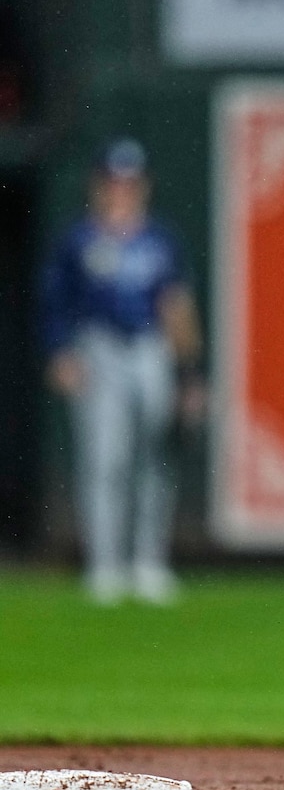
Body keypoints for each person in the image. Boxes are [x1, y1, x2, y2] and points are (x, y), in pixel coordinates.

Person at [38, 137, 205, 606]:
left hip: (150, 348)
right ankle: (104, 566)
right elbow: (56, 302)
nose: (122, 190)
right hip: (100, 346)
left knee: (156, 454)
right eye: (113, 182)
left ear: (143, 186)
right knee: (105, 458)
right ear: (98, 185)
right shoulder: (79, 239)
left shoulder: (160, 239)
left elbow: (177, 307)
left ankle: (149, 563)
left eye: (130, 182)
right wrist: (60, 353)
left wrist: (190, 373)